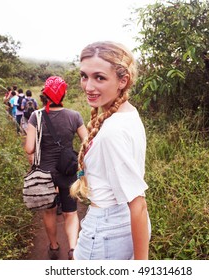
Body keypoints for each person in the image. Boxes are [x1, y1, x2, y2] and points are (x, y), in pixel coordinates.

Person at [70, 41, 151, 260]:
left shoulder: (112, 130)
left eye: (100, 77)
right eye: (84, 76)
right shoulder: (127, 113)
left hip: (106, 230)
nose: (88, 86)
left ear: (122, 81)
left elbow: (138, 204)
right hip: (119, 222)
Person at [24, 76, 87, 260]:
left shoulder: (37, 116)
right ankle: (73, 250)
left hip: (45, 174)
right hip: (67, 173)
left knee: (50, 212)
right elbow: (87, 142)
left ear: (44, 95)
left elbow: (29, 148)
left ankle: (53, 246)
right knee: (71, 212)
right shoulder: (74, 116)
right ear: (64, 94)